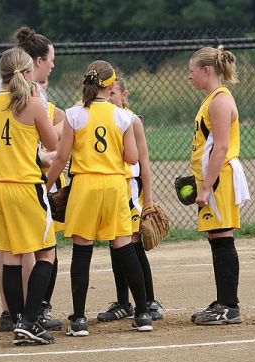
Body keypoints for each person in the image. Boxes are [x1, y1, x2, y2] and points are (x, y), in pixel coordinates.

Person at [45, 60, 153, 336]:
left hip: (85, 186)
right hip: (115, 187)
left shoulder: (74, 114)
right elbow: (131, 158)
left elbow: (61, 157)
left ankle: (79, 320)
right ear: (111, 85)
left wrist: (46, 186)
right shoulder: (123, 116)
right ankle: (142, 314)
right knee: (124, 248)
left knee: (82, 252)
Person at [0, 26, 62, 333]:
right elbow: (52, 144)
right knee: (46, 252)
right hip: (25, 187)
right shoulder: (33, 102)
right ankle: (30, 321)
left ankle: (16, 321)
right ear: (28, 72)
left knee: (11, 255)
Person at [187, 46, 250, 326]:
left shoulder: (220, 100)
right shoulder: (211, 99)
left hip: (220, 179)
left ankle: (230, 306)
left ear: (206, 70)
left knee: (223, 238)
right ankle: (224, 299)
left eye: (191, 71)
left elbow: (222, 147)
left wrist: (205, 188)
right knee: (217, 238)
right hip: (214, 179)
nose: (189, 76)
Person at [97, 76, 163, 322]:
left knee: (133, 245)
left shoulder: (132, 120)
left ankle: (149, 301)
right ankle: (124, 302)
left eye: (114, 93)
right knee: (116, 246)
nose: (109, 97)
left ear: (124, 96)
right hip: (111, 190)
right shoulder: (100, 118)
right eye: (108, 92)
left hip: (131, 190)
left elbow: (144, 163)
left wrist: (148, 201)